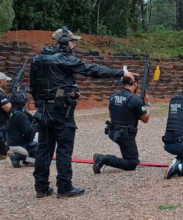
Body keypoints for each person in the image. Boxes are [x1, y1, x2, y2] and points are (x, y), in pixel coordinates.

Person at [29, 27, 131, 198]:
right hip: (61, 110)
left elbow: (33, 87)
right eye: (72, 41)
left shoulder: (37, 59)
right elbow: (92, 70)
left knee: (44, 149)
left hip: (44, 108)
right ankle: (64, 186)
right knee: (64, 149)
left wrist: (41, 103)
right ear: (63, 42)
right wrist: (121, 73)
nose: (74, 45)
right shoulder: (63, 58)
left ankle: (41, 187)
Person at [93, 73, 149, 174]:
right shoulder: (135, 100)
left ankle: (125, 157)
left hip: (113, 131)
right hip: (125, 135)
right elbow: (145, 119)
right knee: (132, 163)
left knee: (130, 155)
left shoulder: (113, 96)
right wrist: (145, 103)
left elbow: (111, 115)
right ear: (134, 83)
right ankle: (103, 159)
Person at [5, 91, 38, 168]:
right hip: (22, 145)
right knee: (43, 159)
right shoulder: (21, 115)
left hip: (13, 143)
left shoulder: (12, 112)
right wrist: (36, 125)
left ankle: (22, 156)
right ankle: (20, 157)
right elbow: (29, 132)